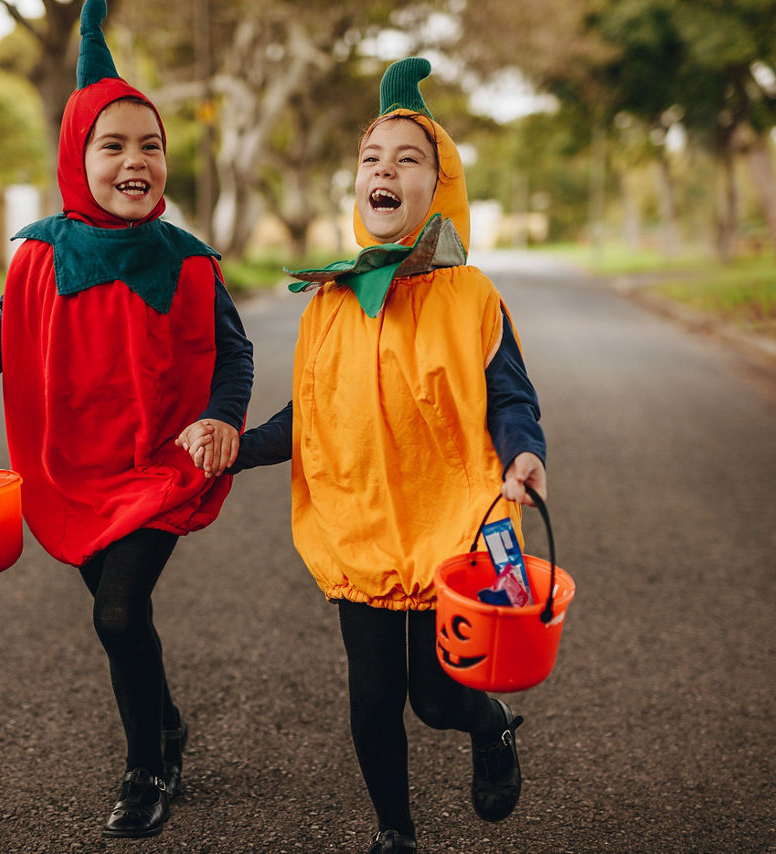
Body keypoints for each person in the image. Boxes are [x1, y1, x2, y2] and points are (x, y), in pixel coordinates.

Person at [184, 57, 546, 854]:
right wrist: (235, 449)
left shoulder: (472, 296)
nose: (383, 170)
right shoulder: (330, 300)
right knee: (374, 694)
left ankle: (490, 726)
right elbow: (311, 417)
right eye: (370, 160)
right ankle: (395, 833)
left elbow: (511, 396)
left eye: (407, 160)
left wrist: (522, 454)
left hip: (454, 521)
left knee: (437, 697)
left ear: (439, 188)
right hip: (362, 524)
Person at [0, 0, 252, 839]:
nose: (135, 159)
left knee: (117, 611)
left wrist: (220, 415)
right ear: (78, 156)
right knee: (119, 614)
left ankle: (148, 767)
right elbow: (4, 331)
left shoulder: (188, 260)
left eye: (151, 145)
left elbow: (234, 353)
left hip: (158, 465)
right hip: (73, 468)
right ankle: (168, 723)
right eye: (113, 145)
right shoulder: (39, 251)